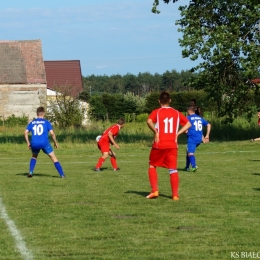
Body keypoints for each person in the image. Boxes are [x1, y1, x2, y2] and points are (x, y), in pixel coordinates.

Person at [146, 91, 191, 200]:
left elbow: (149, 121)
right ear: (170, 101)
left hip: (159, 144)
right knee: (173, 169)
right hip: (172, 145)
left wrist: (156, 132)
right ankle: (175, 195)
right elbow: (189, 124)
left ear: (159, 101)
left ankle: (154, 191)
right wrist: (178, 133)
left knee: (152, 165)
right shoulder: (176, 113)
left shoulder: (157, 111)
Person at [24, 106, 65, 178]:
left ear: (37, 114)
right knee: (53, 158)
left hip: (34, 143)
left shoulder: (32, 122)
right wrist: (55, 142)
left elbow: (25, 132)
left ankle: (30, 171)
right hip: (44, 143)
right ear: (44, 114)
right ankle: (62, 175)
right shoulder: (46, 122)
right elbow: (52, 133)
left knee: (34, 156)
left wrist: (28, 143)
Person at [184, 105, 211, 172]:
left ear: (189, 111)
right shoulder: (199, 118)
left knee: (190, 153)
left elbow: (186, 129)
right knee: (188, 151)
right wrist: (207, 135)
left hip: (192, 138)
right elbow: (209, 125)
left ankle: (194, 166)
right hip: (199, 138)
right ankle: (187, 167)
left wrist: (185, 130)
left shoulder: (188, 118)